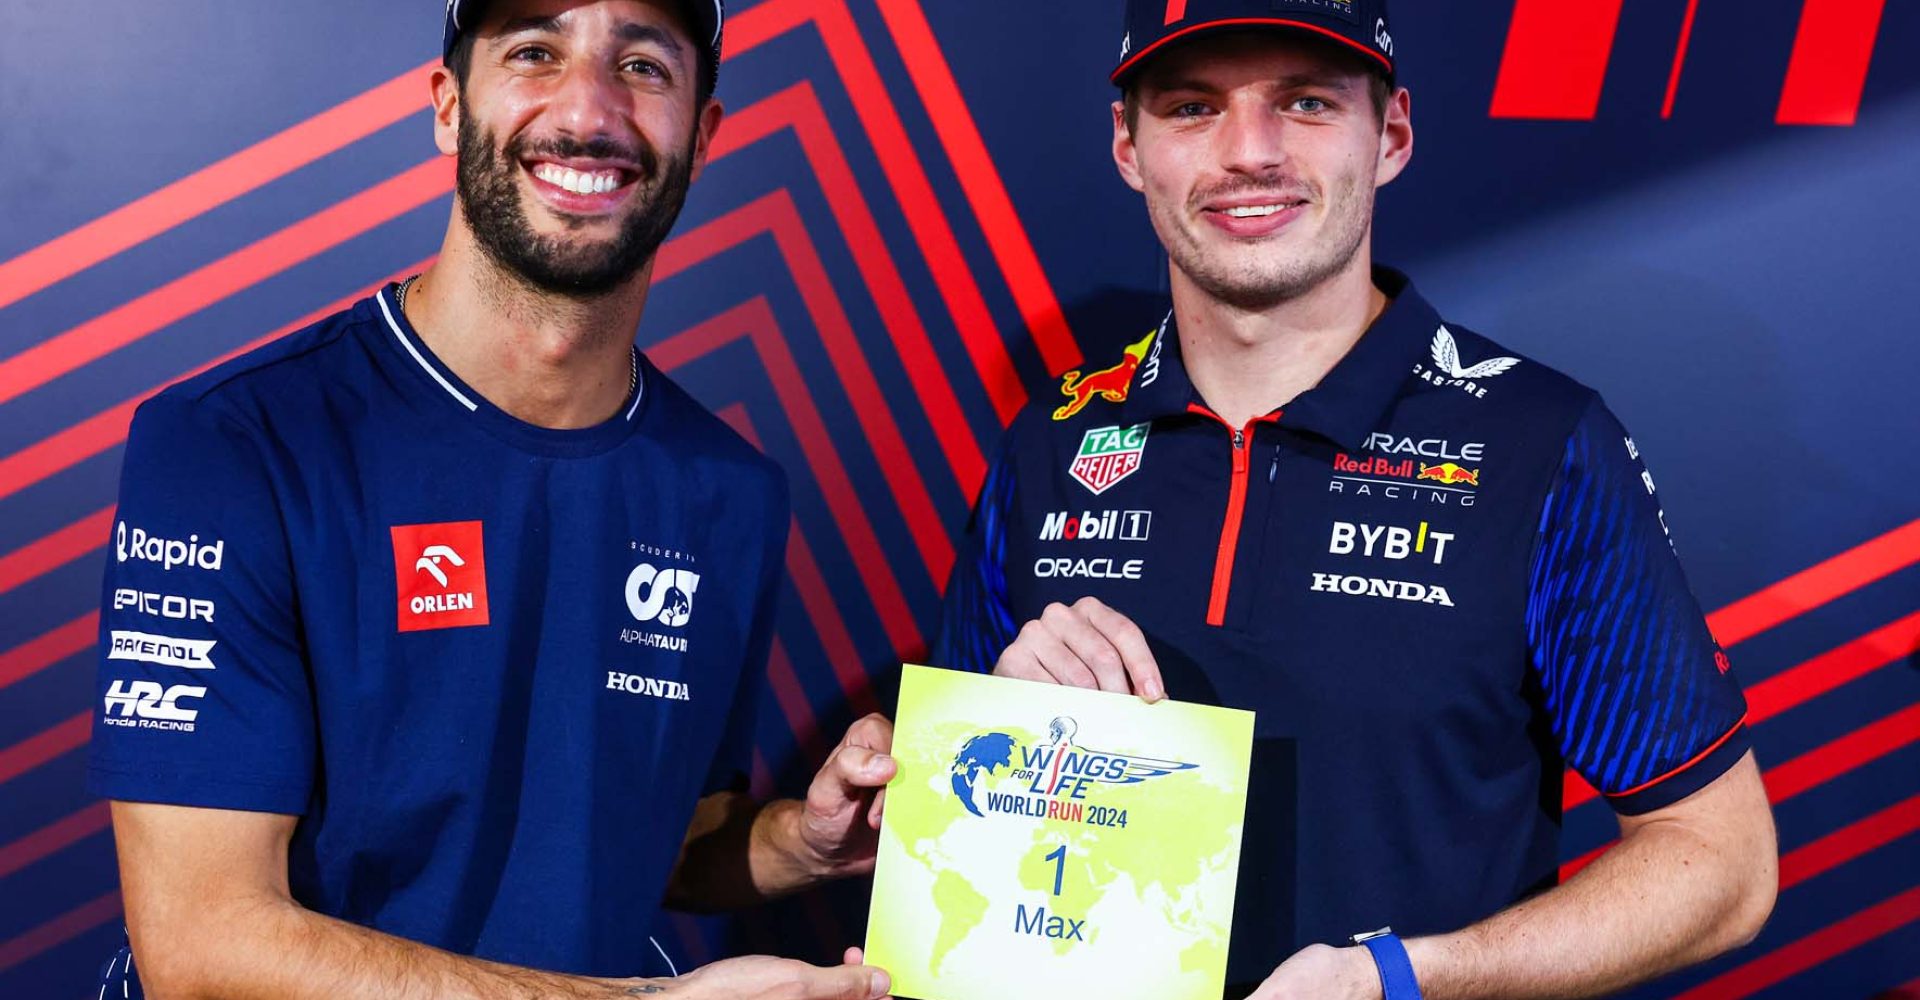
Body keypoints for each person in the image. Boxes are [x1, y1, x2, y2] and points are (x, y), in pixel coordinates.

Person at [933, 1, 1778, 997]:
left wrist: (1399, 977)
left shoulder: (1537, 442)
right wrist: (985, 744)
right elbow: (956, 849)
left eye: (1306, 102)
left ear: (1393, 135)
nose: (1250, 152)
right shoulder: (1052, 440)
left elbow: (1721, 864)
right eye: (1195, 107)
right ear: (1129, 146)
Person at [89, 2, 895, 997]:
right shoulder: (233, 445)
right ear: (446, 106)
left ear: (705, 134)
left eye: (643, 66)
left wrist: (800, 843)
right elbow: (202, 946)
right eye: (534, 52)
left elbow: (654, 838)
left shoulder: (730, 493)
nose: (589, 109)